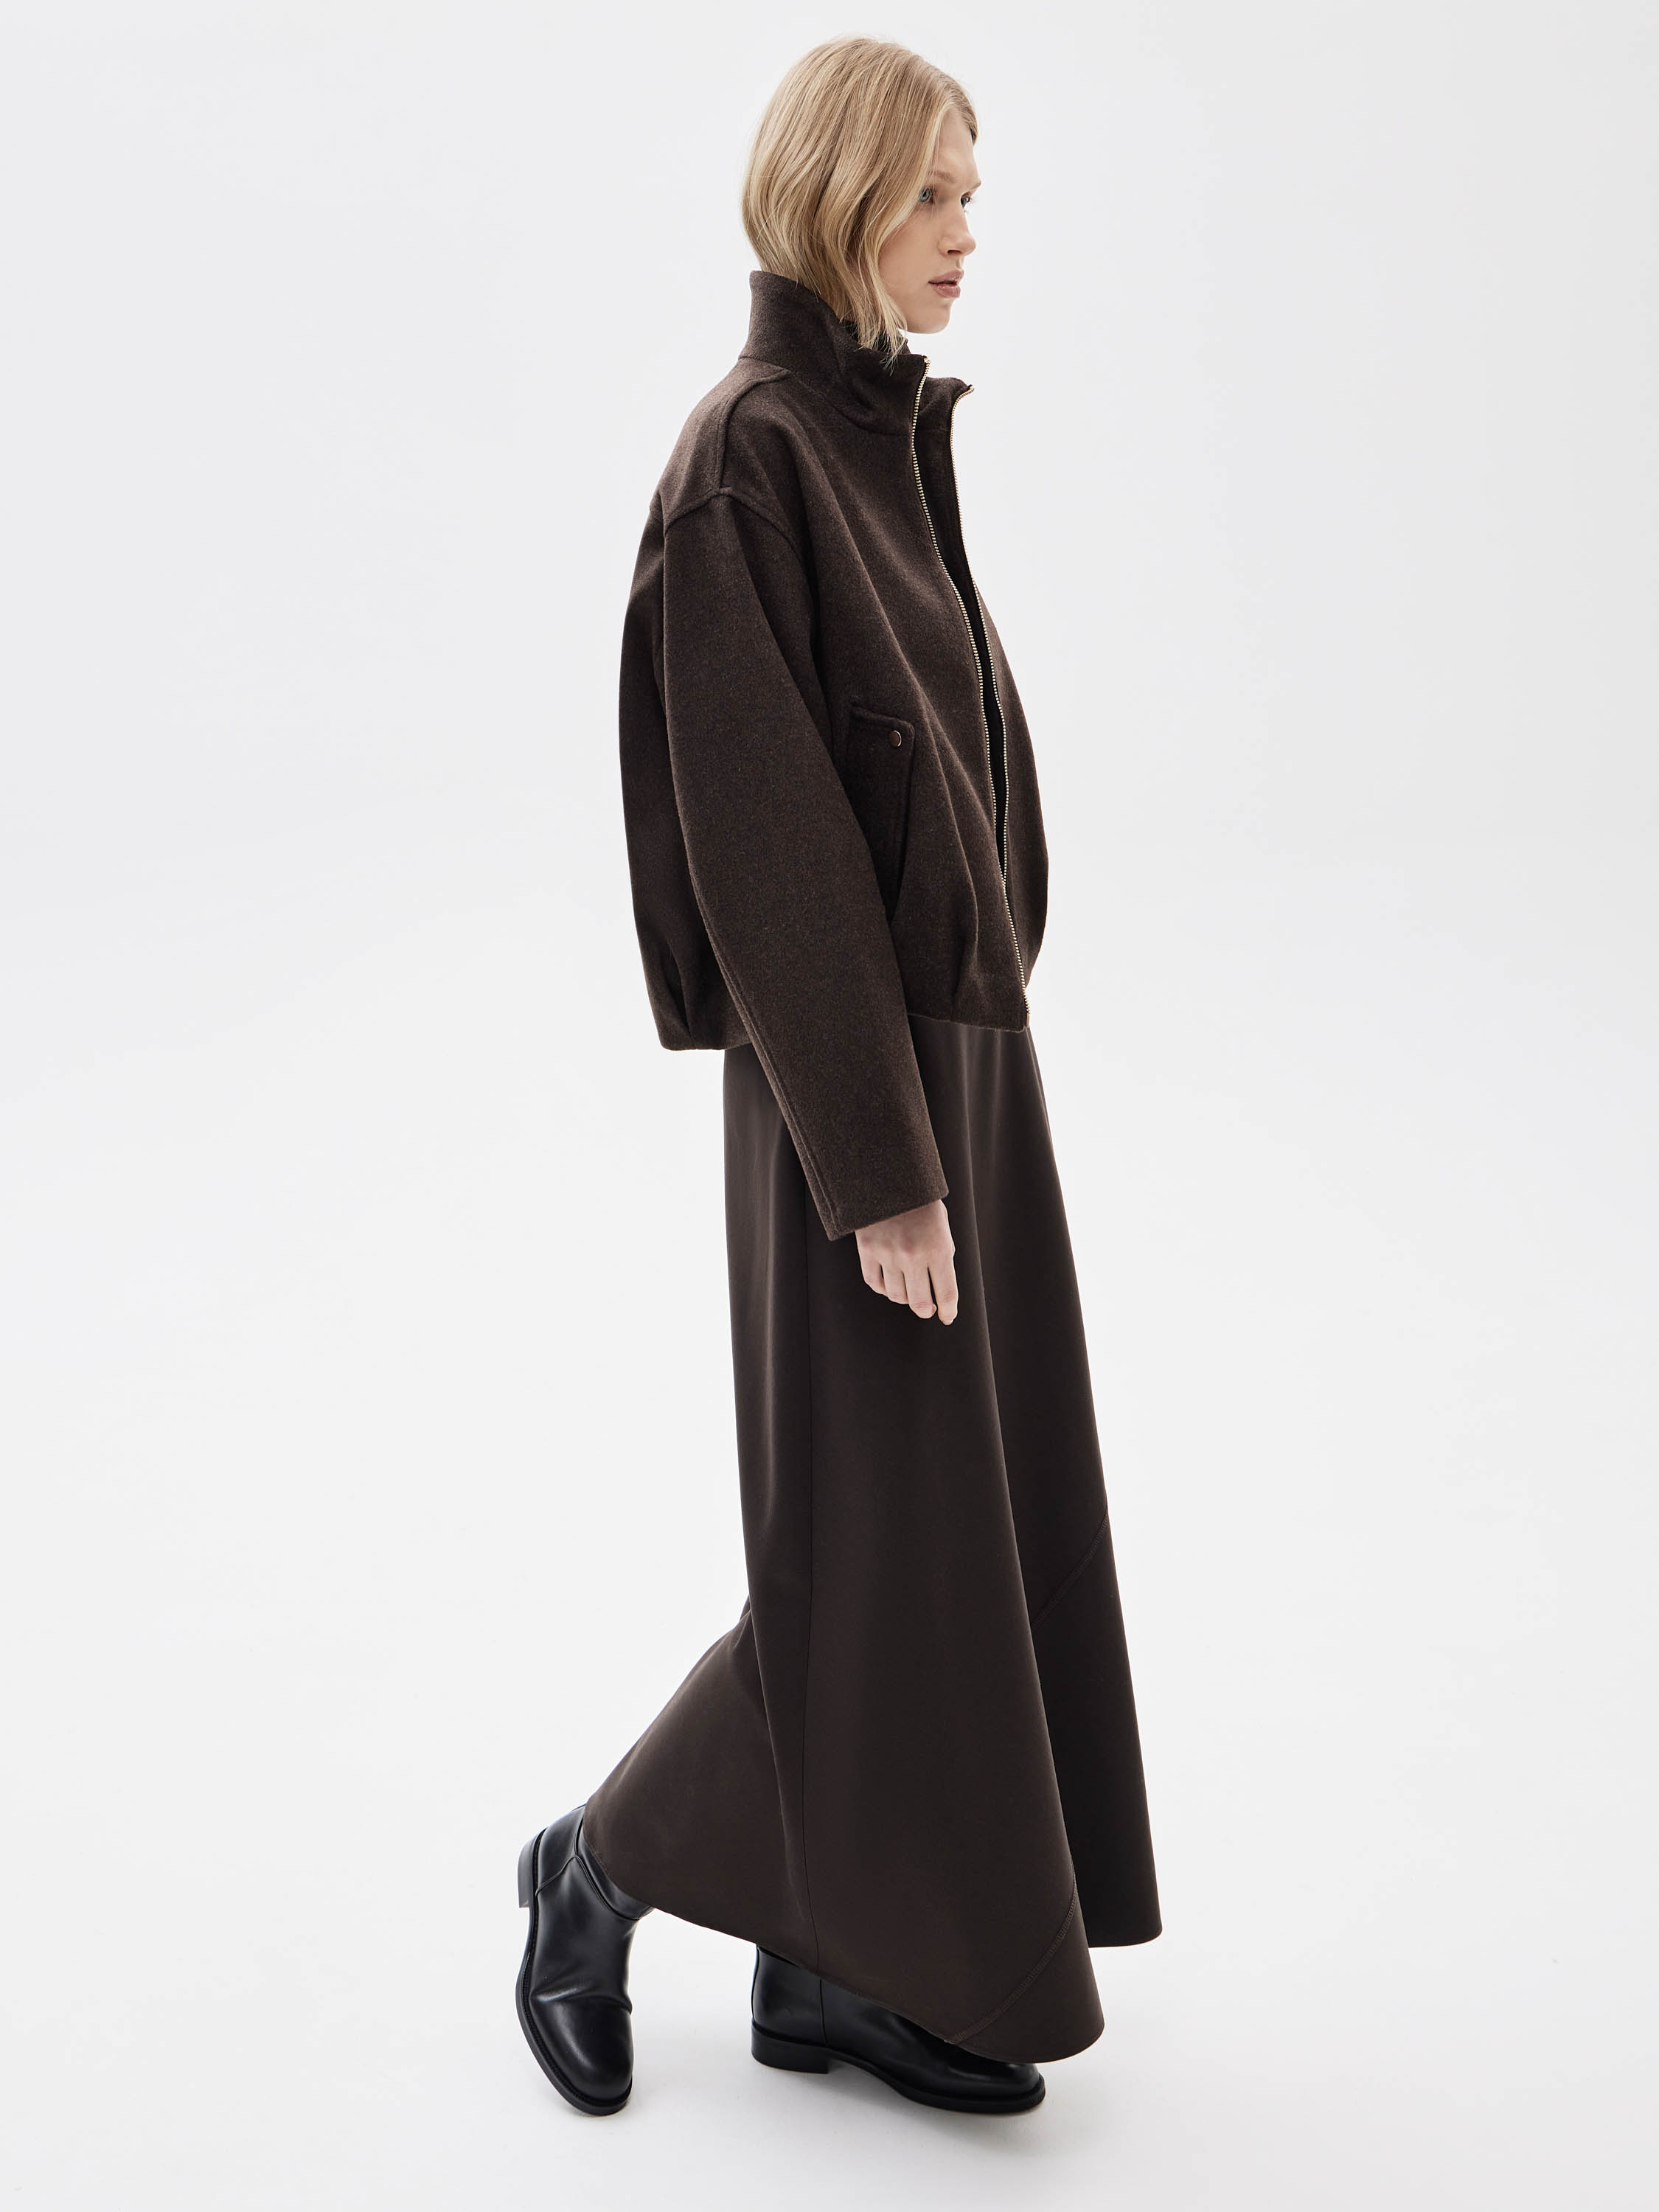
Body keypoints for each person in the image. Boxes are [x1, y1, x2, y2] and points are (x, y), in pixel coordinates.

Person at [515, 35, 1161, 2120]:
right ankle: (595, 1864)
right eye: (930, 195)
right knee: (860, 1561)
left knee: (948, 1542)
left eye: (975, 194)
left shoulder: (876, 436)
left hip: (962, 1061)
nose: (968, 234)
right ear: (834, 196)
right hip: (852, 1095)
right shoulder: (755, 457)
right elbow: (767, 845)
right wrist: (878, 1164)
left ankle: (836, 1972)